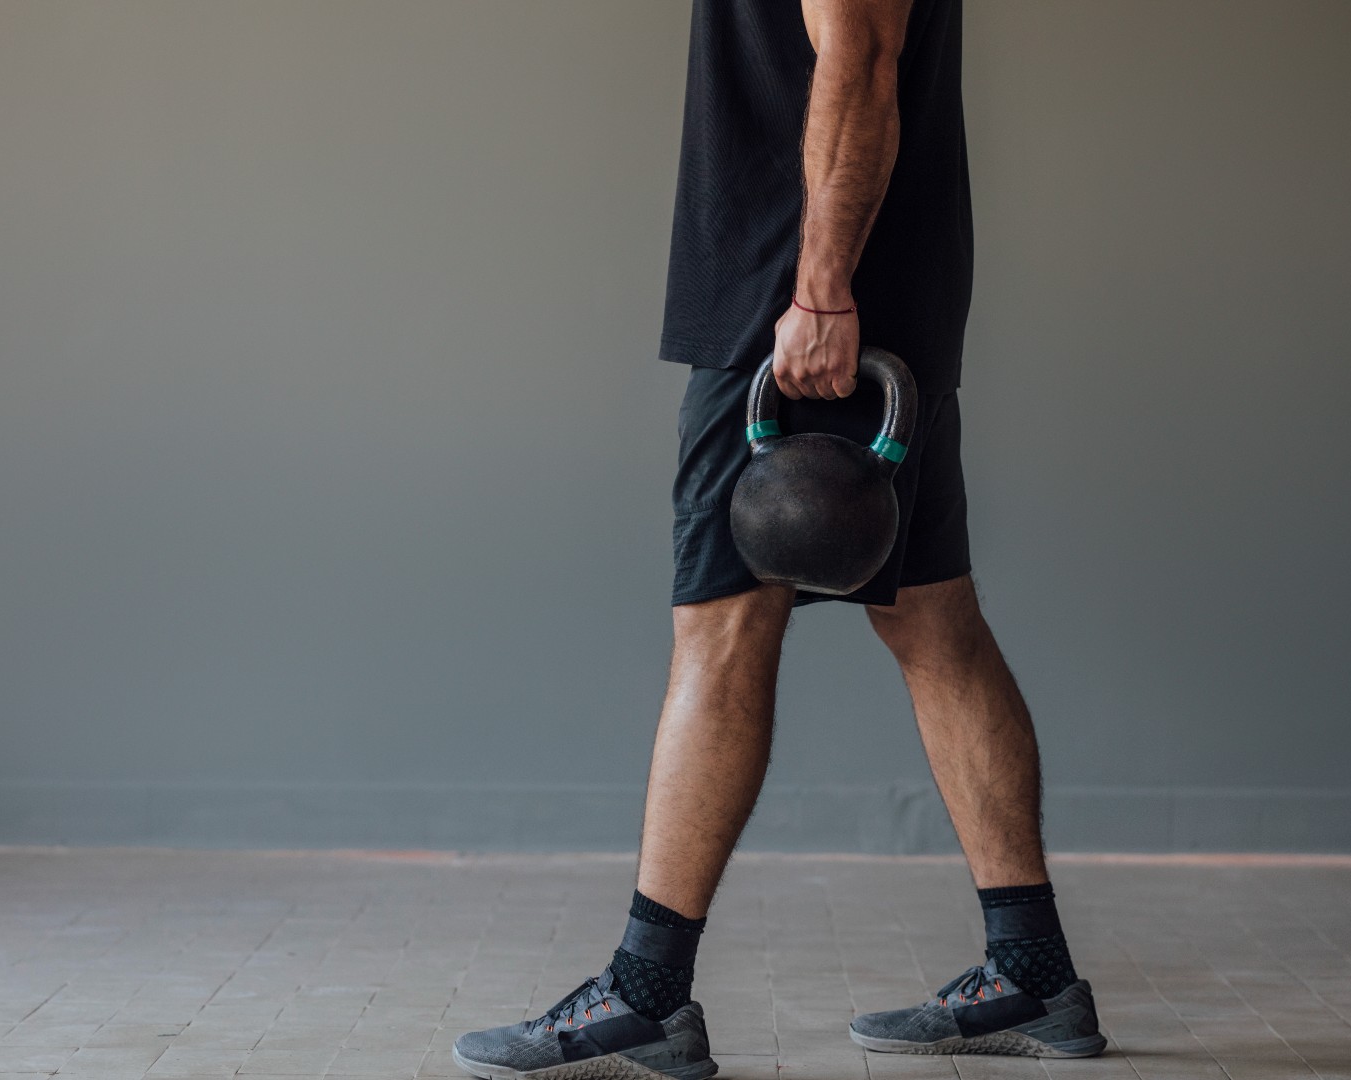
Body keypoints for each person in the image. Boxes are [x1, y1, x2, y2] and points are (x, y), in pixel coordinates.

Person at [452, 1, 1104, 1076]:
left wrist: (821, 289)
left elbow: (861, 55)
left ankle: (648, 992)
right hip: (853, 302)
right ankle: (1033, 966)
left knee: (720, 636)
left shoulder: (814, 305)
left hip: (802, 315)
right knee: (935, 624)